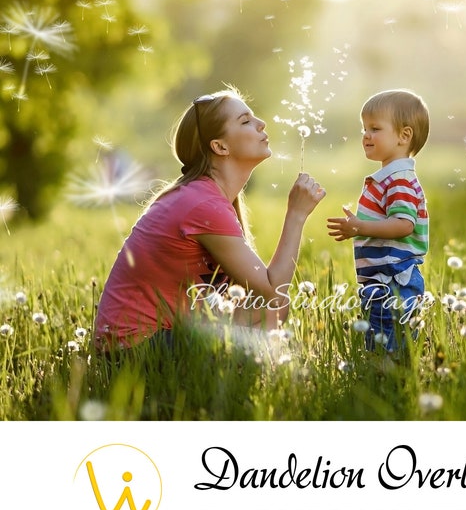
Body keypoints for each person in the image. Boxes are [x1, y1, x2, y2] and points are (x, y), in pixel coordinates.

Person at [94, 87, 326, 352]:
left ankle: (239, 378)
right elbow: (272, 294)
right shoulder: (204, 204)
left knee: (258, 312)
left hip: (144, 342)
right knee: (267, 309)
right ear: (220, 146)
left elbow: (254, 299)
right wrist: (296, 215)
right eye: (246, 121)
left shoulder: (205, 196)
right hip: (134, 350)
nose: (261, 124)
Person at [327, 89, 429, 352]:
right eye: (364, 128)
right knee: (383, 339)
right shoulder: (390, 178)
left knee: (388, 343)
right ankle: (388, 379)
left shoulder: (399, 180)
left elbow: (404, 224)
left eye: (375, 128)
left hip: (393, 281)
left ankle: (389, 382)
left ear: (404, 136)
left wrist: (360, 227)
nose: (366, 135)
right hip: (383, 279)